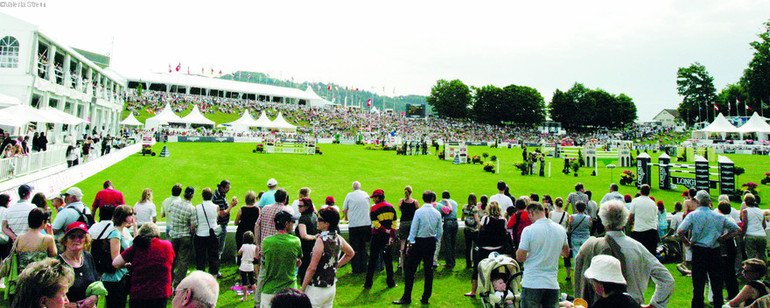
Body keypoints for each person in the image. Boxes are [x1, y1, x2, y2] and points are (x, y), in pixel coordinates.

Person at [574, 200, 674, 307]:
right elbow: (667, 280)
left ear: (603, 220)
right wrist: (655, 305)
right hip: (632, 303)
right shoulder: (637, 248)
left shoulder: (593, 246)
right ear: (625, 220)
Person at [677, 190, 741, 308]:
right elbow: (737, 229)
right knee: (717, 283)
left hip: (699, 250)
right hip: (714, 250)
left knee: (698, 283)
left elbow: (680, 231)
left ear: (697, 201)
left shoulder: (693, 215)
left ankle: (697, 305)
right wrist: (723, 238)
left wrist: (687, 243)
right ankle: (718, 305)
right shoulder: (718, 216)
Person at [516, 202, 569, 308]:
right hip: (552, 283)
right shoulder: (560, 229)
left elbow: (520, 257)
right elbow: (566, 253)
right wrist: (552, 251)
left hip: (532, 282)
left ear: (531, 213)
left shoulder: (529, 230)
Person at [394, 190, 443, 305]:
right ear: (432, 199)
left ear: (423, 198)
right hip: (430, 242)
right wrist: (434, 240)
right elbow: (440, 231)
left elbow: (413, 230)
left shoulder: (419, 212)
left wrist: (410, 244)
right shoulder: (437, 213)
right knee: (428, 270)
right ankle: (426, 297)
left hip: (419, 242)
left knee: (410, 270)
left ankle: (407, 297)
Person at [300, 207, 355, 308]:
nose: (317, 220)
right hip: (331, 287)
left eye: (320, 219)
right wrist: (335, 265)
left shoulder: (321, 240)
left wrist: (302, 289)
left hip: (316, 289)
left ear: (327, 224)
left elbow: (312, 268)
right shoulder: (338, 238)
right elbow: (350, 253)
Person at [113, 223, 175, 308]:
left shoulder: (137, 247)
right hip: (161, 293)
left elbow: (116, 263)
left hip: (139, 293)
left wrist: (129, 265)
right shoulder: (167, 245)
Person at [253, 189, 292, 306]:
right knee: (279, 275)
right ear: (285, 199)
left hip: (265, 248)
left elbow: (256, 225)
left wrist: (258, 244)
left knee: (263, 275)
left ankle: (258, 302)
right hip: (279, 247)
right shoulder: (287, 210)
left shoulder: (265, 208)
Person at [465, 201, 508, 297]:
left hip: (485, 249)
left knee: (477, 269)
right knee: (496, 270)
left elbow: (481, 229)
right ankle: (498, 288)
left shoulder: (486, 219)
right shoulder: (503, 220)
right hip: (498, 249)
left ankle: (473, 291)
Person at [260, 210, 302, 307]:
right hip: (289, 291)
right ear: (286, 224)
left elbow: (265, 260)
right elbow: (298, 261)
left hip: (269, 290)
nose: (293, 225)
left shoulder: (267, 242)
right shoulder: (295, 241)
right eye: (292, 222)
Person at [57, 222, 99, 308]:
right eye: (72, 236)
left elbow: (96, 283)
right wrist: (79, 306)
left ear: (86, 240)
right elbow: (54, 299)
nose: (76, 239)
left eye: (80, 236)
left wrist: (94, 297)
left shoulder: (88, 257)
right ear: (65, 241)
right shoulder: (58, 263)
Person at [364, 189, 397, 289]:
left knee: (372, 260)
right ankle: (390, 282)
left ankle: (368, 283)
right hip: (387, 238)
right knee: (388, 261)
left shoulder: (374, 208)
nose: (373, 199)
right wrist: (391, 234)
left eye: (374, 197)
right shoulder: (391, 207)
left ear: (378, 198)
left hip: (377, 236)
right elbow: (394, 223)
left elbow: (376, 224)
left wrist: (385, 230)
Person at [102, 205, 134, 308]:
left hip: (123, 275)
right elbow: (115, 259)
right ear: (123, 216)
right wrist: (128, 265)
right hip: (114, 278)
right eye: (130, 214)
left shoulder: (126, 231)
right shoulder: (115, 234)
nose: (132, 217)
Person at [167, 186, 197, 287]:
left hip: (174, 235)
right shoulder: (191, 209)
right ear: (192, 196)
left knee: (172, 260)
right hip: (185, 236)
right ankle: (178, 285)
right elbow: (193, 226)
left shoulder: (174, 203)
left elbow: (169, 211)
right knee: (183, 261)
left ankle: (169, 281)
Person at [342, 181, 371, 274]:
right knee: (363, 246)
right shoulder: (366, 194)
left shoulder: (349, 195)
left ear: (353, 188)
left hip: (354, 225)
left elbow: (345, 209)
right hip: (365, 224)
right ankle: (364, 266)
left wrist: (346, 217)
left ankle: (356, 268)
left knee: (354, 247)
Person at [194, 187, 220, 276]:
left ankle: (200, 278)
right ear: (211, 196)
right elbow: (216, 218)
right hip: (212, 235)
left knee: (200, 258)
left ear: (202, 197)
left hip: (200, 235)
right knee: (213, 258)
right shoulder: (216, 207)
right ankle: (213, 278)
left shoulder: (197, 207)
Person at [212, 180, 237, 266]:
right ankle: (216, 270)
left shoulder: (219, 192)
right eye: (227, 188)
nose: (228, 189)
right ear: (222, 187)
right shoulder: (219, 197)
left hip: (219, 224)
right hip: (221, 225)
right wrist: (231, 206)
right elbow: (222, 214)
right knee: (219, 250)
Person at [629, 185, 658, 255]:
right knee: (651, 255)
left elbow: (631, 216)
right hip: (652, 231)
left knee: (638, 254)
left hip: (639, 231)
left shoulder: (635, 201)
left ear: (640, 191)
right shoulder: (653, 203)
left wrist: (629, 224)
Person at [295, 197, 318, 283]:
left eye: (301, 206)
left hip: (305, 249)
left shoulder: (303, 219)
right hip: (314, 248)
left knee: (304, 275)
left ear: (307, 206)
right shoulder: (314, 215)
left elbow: (303, 235)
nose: (299, 208)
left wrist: (314, 237)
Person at [549, 197, 571, 282]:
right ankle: (568, 274)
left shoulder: (551, 213)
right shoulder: (566, 214)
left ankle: (553, 273)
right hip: (563, 233)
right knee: (566, 255)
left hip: (554, 234)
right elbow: (568, 225)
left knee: (553, 254)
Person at [234, 191, 260, 264]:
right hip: (253, 232)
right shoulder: (257, 210)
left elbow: (236, 222)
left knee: (240, 250)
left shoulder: (241, 210)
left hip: (241, 232)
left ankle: (240, 266)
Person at [435, 190, 457, 269]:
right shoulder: (454, 202)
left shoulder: (441, 203)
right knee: (453, 243)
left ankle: (449, 263)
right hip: (455, 222)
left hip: (447, 223)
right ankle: (453, 261)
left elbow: (442, 213)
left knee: (448, 243)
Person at [398, 186, 419, 270]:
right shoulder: (415, 202)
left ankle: (401, 262)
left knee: (402, 242)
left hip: (403, 223)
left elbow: (400, 209)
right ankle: (412, 260)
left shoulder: (401, 201)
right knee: (412, 242)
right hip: (412, 223)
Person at [741, 194, 766, 261]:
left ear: (745, 202)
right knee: (762, 256)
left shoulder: (745, 211)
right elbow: (764, 225)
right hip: (762, 235)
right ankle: (763, 270)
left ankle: (752, 270)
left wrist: (742, 235)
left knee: (751, 256)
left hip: (750, 235)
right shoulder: (760, 211)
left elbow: (744, 224)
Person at [238, 231, 257, 302]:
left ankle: (245, 297)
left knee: (244, 282)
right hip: (251, 265)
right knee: (252, 281)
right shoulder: (254, 247)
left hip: (243, 265)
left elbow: (239, 253)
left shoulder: (244, 246)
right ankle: (255, 296)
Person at [462, 193, 479, 269]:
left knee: (468, 247)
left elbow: (462, 218)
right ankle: (476, 261)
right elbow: (476, 219)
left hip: (467, 229)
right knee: (477, 246)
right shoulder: (475, 208)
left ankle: (468, 263)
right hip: (474, 230)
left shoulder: (464, 207)